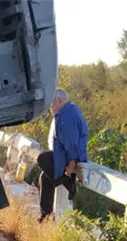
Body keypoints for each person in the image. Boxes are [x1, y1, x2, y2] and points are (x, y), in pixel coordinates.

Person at [36, 88, 88, 222]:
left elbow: (71, 141)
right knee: (45, 176)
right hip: (63, 155)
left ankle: (67, 182)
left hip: (71, 157)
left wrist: (71, 163)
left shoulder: (68, 115)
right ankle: (45, 213)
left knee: (42, 159)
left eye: (51, 104)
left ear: (60, 101)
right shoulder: (66, 111)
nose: (50, 108)